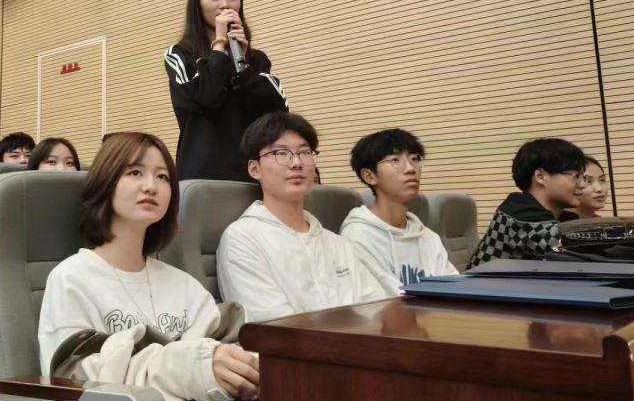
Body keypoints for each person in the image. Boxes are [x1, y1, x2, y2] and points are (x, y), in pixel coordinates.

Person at [39, 132, 260, 401]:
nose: (151, 186)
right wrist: (190, 368)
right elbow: (74, 382)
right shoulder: (72, 278)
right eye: (135, 173)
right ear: (106, 182)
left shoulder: (183, 284)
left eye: (162, 177)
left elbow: (218, 353)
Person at [217, 112, 388, 322]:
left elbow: (378, 310)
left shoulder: (338, 243)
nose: (297, 163)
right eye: (281, 153)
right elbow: (274, 325)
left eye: (305, 152)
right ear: (254, 169)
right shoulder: (243, 239)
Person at [164, 0, 287, 181]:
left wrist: (244, 66)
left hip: (252, 175)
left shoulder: (257, 60)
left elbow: (278, 114)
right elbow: (207, 99)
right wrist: (219, 46)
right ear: (197, 4)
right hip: (202, 177)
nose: (225, 5)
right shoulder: (180, 55)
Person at [341, 128, 457, 296]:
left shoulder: (428, 237)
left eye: (415, 159)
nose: (410, 168)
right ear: (369, 176)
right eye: (395, 160)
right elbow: (386, 301)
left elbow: (455, 289)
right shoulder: (358, 237)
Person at [466, 138, 584, 268]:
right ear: (540, 176)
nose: (583, 185)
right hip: (484, 281)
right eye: (576, 176)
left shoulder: (560, 218)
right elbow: (569, 248)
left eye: (583, 177)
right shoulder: (520, 215)